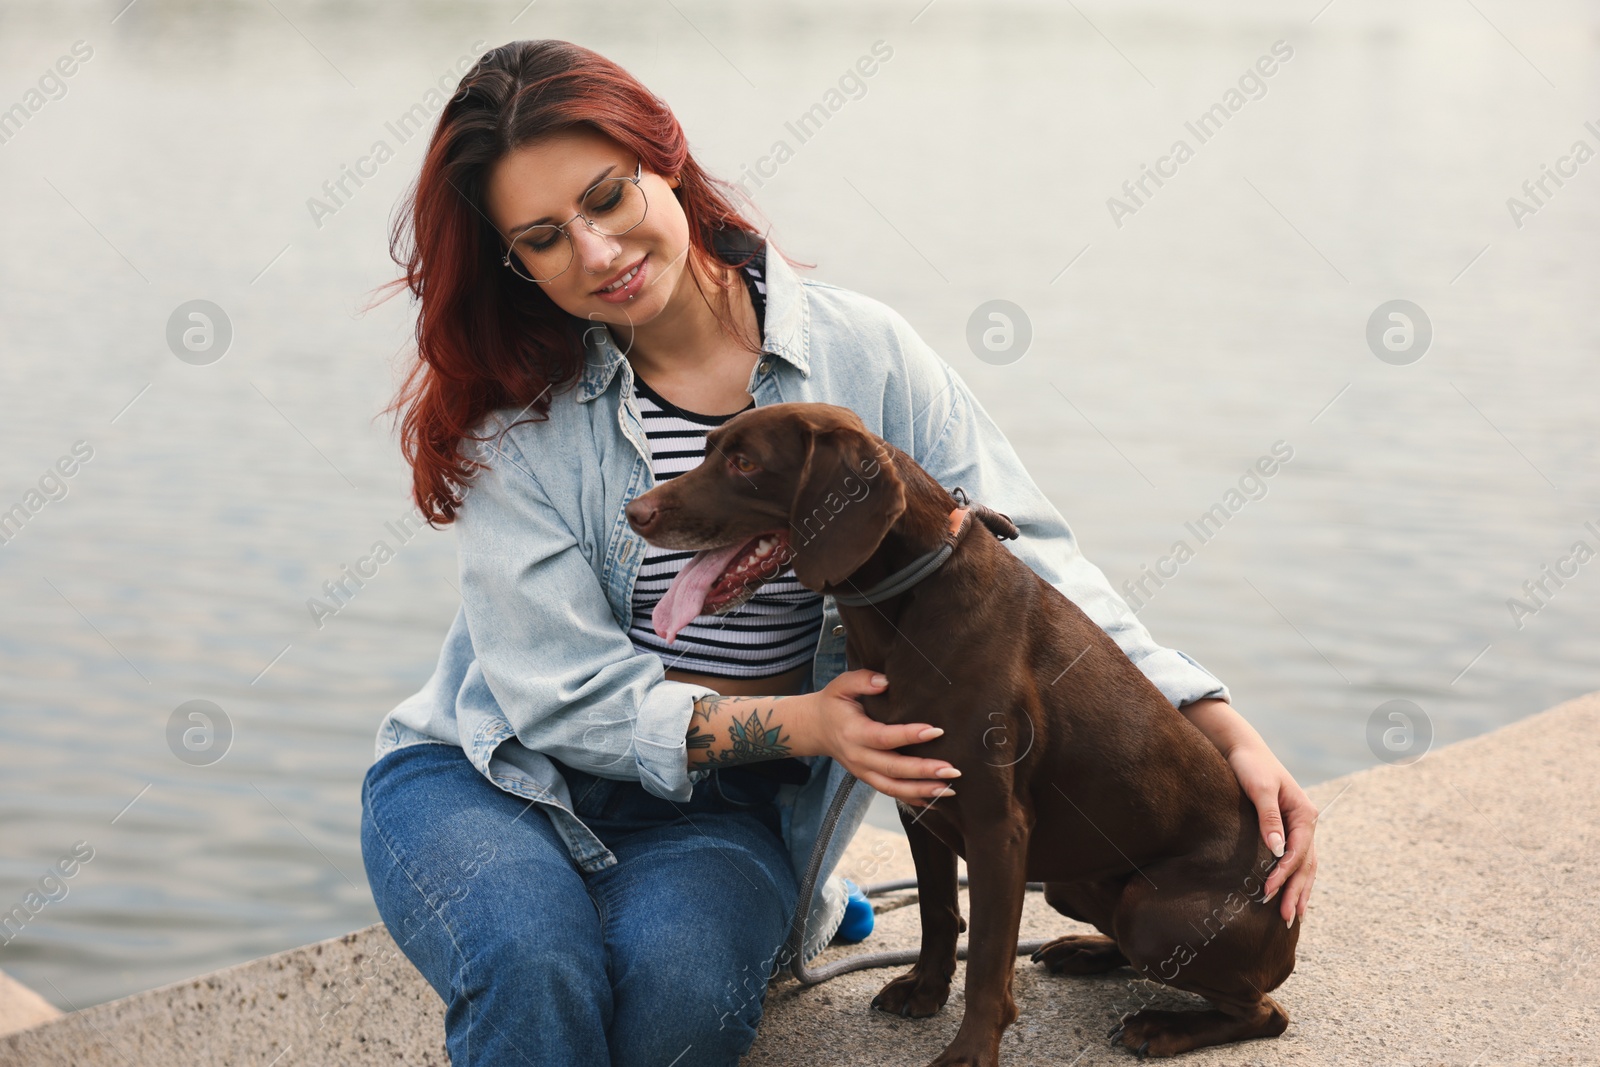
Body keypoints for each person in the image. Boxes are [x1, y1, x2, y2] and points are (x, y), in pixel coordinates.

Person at [358, 38, 1319, 1067]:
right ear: (518, 263)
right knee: (533, 968)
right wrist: (808, 720)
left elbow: (1032, 562)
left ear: (664, 158)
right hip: (493, 771)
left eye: (608, 196)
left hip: (721, 813)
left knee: (673, 1002)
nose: (594, 252)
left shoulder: (865, 355)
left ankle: (794, 899)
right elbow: (553, 692)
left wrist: (1218, 725)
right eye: (544, 238)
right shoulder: (524, 417)